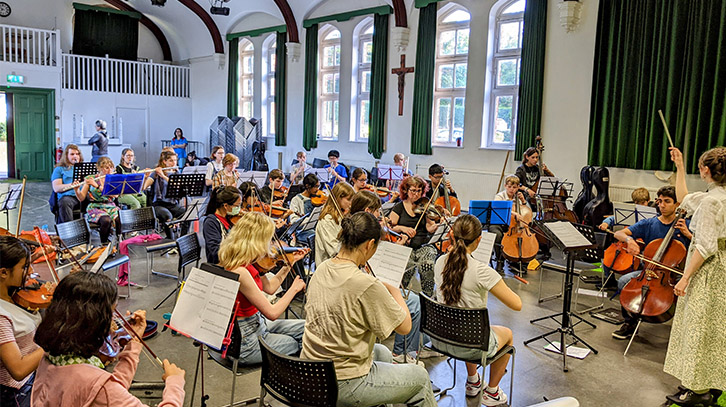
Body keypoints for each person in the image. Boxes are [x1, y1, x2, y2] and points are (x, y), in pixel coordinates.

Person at [301, 212, 437, 406]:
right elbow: (405, 327)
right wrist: (394, 289)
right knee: (420, 378)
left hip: (312, 370)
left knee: (382, 352)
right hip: (343, 382)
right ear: (369, 244)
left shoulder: (322, 268)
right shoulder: (366, 284)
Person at [31, 272, 185, 407]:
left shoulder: (51, 360)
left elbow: (107, 392)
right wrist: (175, 383)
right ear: (94, 322)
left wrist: (134, 343)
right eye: (111, 313)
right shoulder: (96, 385)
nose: (115, 320)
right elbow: (105, 392)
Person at [434, 214, 521, 405]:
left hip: (442, 338)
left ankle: (473, 381)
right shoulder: (482, 271)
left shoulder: (440, 262)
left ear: (452, 236)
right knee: (506, 334)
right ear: (479, 240)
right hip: (470, 343)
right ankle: (492, 392)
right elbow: (517, 304)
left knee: (467, 327)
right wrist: (498, 281)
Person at [663, 147, 726, 406]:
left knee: (698, 328)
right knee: (715, 329)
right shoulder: (716, 197)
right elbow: (685, 198)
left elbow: (705, 246)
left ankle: (697, 391)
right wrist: (680, 166)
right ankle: (711, 383)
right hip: (722, 268)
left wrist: (685, 277)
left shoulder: (712, 201)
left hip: (708, 270)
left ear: (706, 170)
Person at [349, 191, 437, 365]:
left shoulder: (356, 227)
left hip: (371, 282)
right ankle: (401, 354)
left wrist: (393, 248)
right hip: (365, 287)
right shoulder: (362, 233)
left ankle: (419, 346)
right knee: (414, 303)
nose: (381, 217)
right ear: (368, 210)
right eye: (377, 212)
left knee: (417, 301)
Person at [217, 212, 308, 365]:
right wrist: (293, 289)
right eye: (269, 239)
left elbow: (270, 288)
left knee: (307, 328)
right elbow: (272, 313)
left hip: (258, 324)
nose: (271, 244)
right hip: (246, 341)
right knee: (293, 343)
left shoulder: (248, 262)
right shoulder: (239, 271)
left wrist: (290, 264)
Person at [610, 186, 691, 340]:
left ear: (677, 204)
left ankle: (681, 333)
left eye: (667, 202)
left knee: (688, 293)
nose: (662, 205)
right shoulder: (649, 223)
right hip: (647, 271)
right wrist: (629, 240)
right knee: (623, 281)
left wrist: (688, 234)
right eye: (659, 201)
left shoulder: (686, 224)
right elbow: (618, 233)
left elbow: (702, 245)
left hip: (676, 275)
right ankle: (629, 323)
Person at [0, 237, 45, 407]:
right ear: (3, 272)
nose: (31, 271)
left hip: (37, 374)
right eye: (25, 267)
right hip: (18, 392)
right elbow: (18, 370)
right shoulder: (1, 316)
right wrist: (54, 343)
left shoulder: (14, 295)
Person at [389, 176, 441, 297]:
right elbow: (390, 227)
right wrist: (403, 228)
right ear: (406, 190)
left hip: (424, 245)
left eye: (419, 191)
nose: (416, 194)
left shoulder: (424, 207)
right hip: (406, 246)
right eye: (413, 190)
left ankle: (427, 297)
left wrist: (438, 226)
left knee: (427, 264)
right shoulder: (399, 207)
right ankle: (403, 295)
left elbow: (429, 227)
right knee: (408, 265)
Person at [75, 157, 121, 245]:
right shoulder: (91, 178)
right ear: (99, 168)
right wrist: (76, 189)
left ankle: (119, 243)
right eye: (106, 168)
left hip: (110, 206)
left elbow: (115, 195)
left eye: (111, 167)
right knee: (106, 220)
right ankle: (104, 244)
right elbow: (81, 197)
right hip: (95, 206)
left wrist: (97, 186)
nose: (110, 170)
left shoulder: (113, 179)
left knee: (120, 219)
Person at [143, 151, 188, 240]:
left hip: (172, 204)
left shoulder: (176, 173)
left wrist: (163, 176)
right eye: (171, 161)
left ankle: (182, 239)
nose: (174, 163)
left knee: (187, 215)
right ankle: (170, 241)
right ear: (164, 161)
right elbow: (144, 187)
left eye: (175, 160)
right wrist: (145, 177)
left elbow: (178, 186)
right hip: (159, 204)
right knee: (167, 216)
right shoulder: (155, 173)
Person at [490, 175, 528, 272]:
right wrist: (513, 213)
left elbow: (526, 212)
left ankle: (516, 260)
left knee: (521, 236)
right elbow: (497, 208)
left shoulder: (518, 198)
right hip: (499, 223)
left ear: (518, 188)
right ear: (505, 186)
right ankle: (500, 261)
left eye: (514, 187)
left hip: (513, 225)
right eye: (509, 186)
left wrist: (523, 201)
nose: (511, 189)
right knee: (498, 235)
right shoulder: (500, 196)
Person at [314, 183, 354, 265]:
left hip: (341, 261)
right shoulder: (327, 220)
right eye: (348, 200)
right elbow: (333, 251)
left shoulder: (342, 216)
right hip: (329, 266)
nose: (351, 203)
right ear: (338, 198)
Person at [202, 186, 241, 265]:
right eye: (237, 206)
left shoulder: (229, 218)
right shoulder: (211, 222)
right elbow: (216, 252)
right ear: (226, 206)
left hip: (233, 259)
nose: (239, 209)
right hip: (220, 264)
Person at [51, 144, 84, 223]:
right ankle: (70, 230)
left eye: (77, 154)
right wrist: (72, 185)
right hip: (69, 197)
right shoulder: (59, 169)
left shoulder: (83, 167)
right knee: (64, 202)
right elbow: (56, 188)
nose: (75, 156)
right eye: (72, 154)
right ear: (66, 156)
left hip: (83, 195)